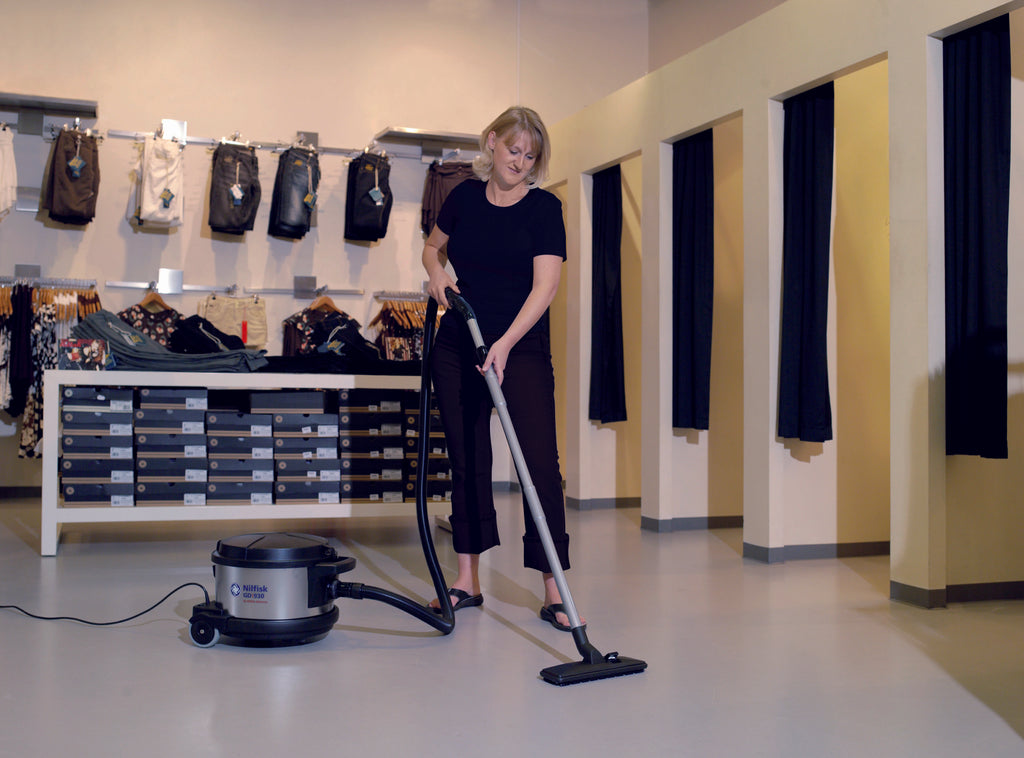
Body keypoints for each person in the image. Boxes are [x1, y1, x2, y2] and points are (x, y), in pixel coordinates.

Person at [422, 106, 581, 632]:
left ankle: (555, 589)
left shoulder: (544, 208)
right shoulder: (464, 196)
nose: (521, 162)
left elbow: (546, 286)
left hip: (521, 349)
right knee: (468, 458)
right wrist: (437, 274)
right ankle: (467, 579)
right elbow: (431, 249)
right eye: (514, 150)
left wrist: (506, 343)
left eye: (531, 156)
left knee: (538, 464)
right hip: (458, 343)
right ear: (492, 142)